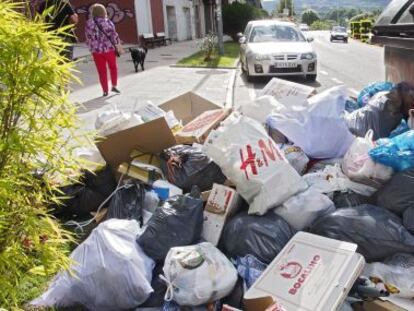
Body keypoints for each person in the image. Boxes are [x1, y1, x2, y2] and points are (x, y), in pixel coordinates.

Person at [85, 3, 121, 97]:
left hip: (96, 51)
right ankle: (114, 85)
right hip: (108, 49)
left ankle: (105, 90)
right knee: (113, 67)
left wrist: (91, 46)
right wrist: (117, 44)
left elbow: (88, 37)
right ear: (103, 11)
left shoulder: (89, 23)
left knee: (101, 71)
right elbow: (114, 35)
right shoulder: (108, 22)